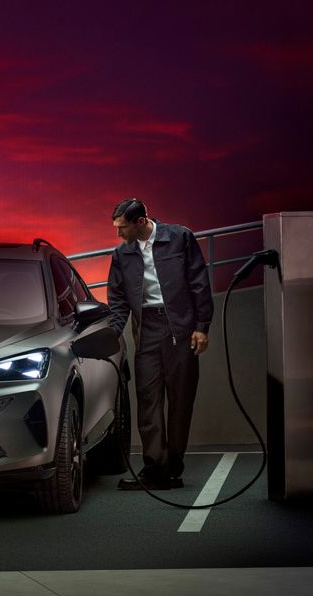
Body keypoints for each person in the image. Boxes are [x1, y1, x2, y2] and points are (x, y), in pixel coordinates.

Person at [106, 198, 213, 491]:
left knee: (180, 399)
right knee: (148, 398)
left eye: (122, 228)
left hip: (180, 326)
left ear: (140, 222)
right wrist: (113, 334)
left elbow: (199, 283)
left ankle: (172, 469)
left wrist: (202, 327)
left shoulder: (180, 237)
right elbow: (117, 300)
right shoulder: (121, 254)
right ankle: (154, 468)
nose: (118, 235)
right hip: (148, 330)